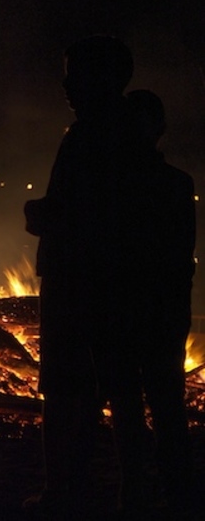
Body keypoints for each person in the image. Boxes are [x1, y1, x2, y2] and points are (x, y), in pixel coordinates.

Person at [23, 35, 144, 519]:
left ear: (106, 78)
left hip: (78, 283)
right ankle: (113, 490)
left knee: (67, 386)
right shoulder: (124, 134)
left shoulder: (90, 137)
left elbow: (79, 213)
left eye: (76, 74)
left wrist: (39, 214)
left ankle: (62, 492)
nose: (66, 85)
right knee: (102, 388)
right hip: (105, 282)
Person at [123, 89, 196, 516]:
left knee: (138, 404)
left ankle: (149, 488)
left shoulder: (118, 186)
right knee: (164, 403)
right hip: (165, 312)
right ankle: (173, 489)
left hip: (138, 312)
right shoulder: (178, 183)